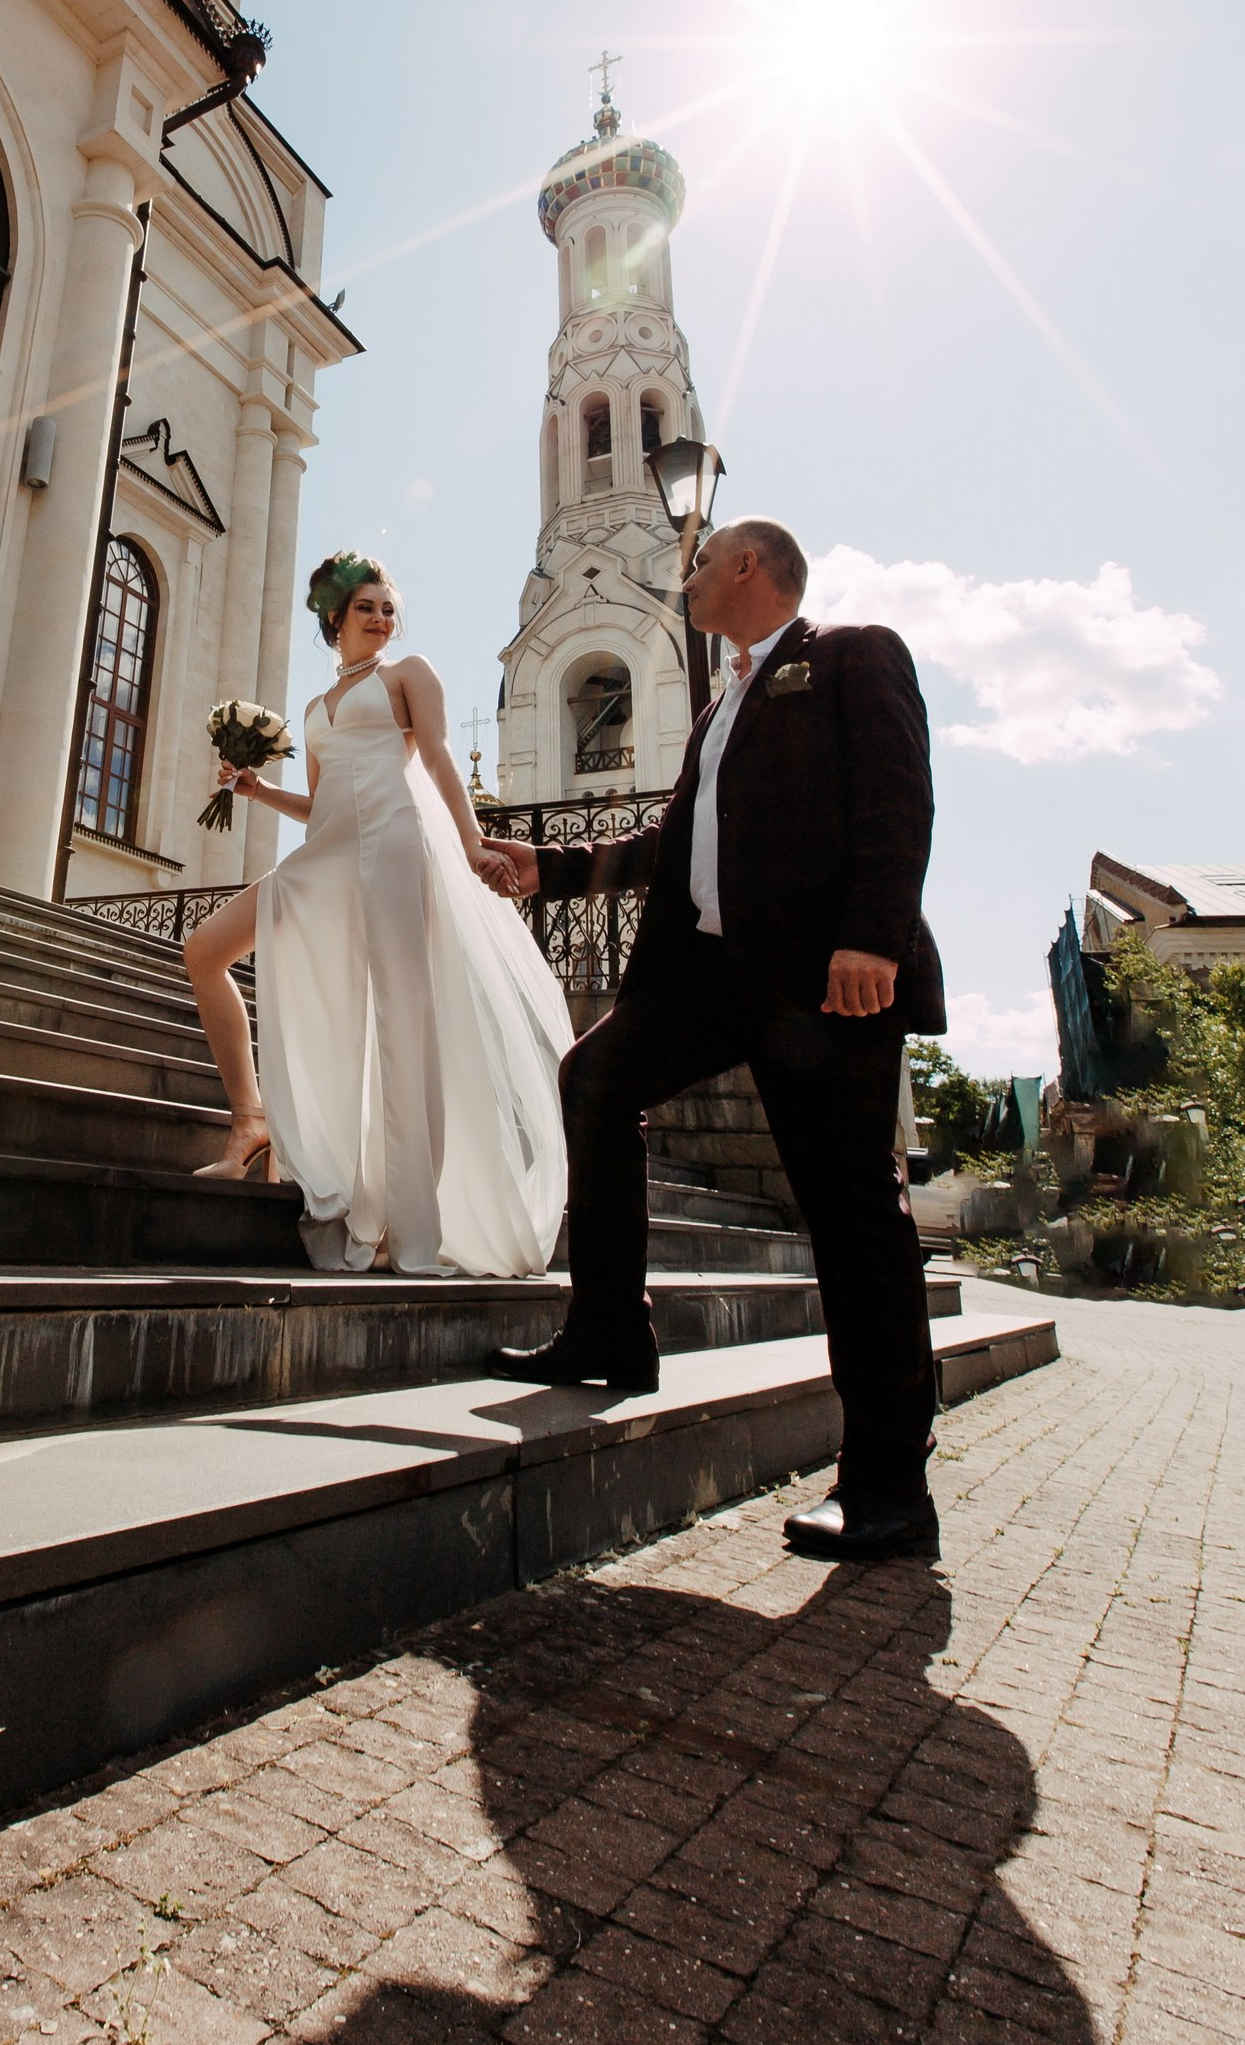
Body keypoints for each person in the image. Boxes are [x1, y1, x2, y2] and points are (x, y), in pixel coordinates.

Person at [480, 517, 947, 1562]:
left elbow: (894, 800)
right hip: (711, 975)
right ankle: (608, 1331)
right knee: (594, 1077)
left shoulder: (852, 653)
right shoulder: (718, 705)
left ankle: (886, 1484)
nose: (685, 575)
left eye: (698, 562)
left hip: (825, 980)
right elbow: (669, 841)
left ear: (746, 566)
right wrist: (546, 870)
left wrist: (868, 937)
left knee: (851, 1216)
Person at [182, 552, 570, 1276]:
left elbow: (440, 761)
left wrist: (472, 844)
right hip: (327, 855)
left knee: (401, 1025)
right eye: (368, 607)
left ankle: (404, 1221)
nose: (384, 618)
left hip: (393, 849)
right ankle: (251, 1120)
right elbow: (321, 808)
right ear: (335, 618)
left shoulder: (407, 674)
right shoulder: (314, 708)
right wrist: (257, 791)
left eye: (389, 607)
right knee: (204, 949)